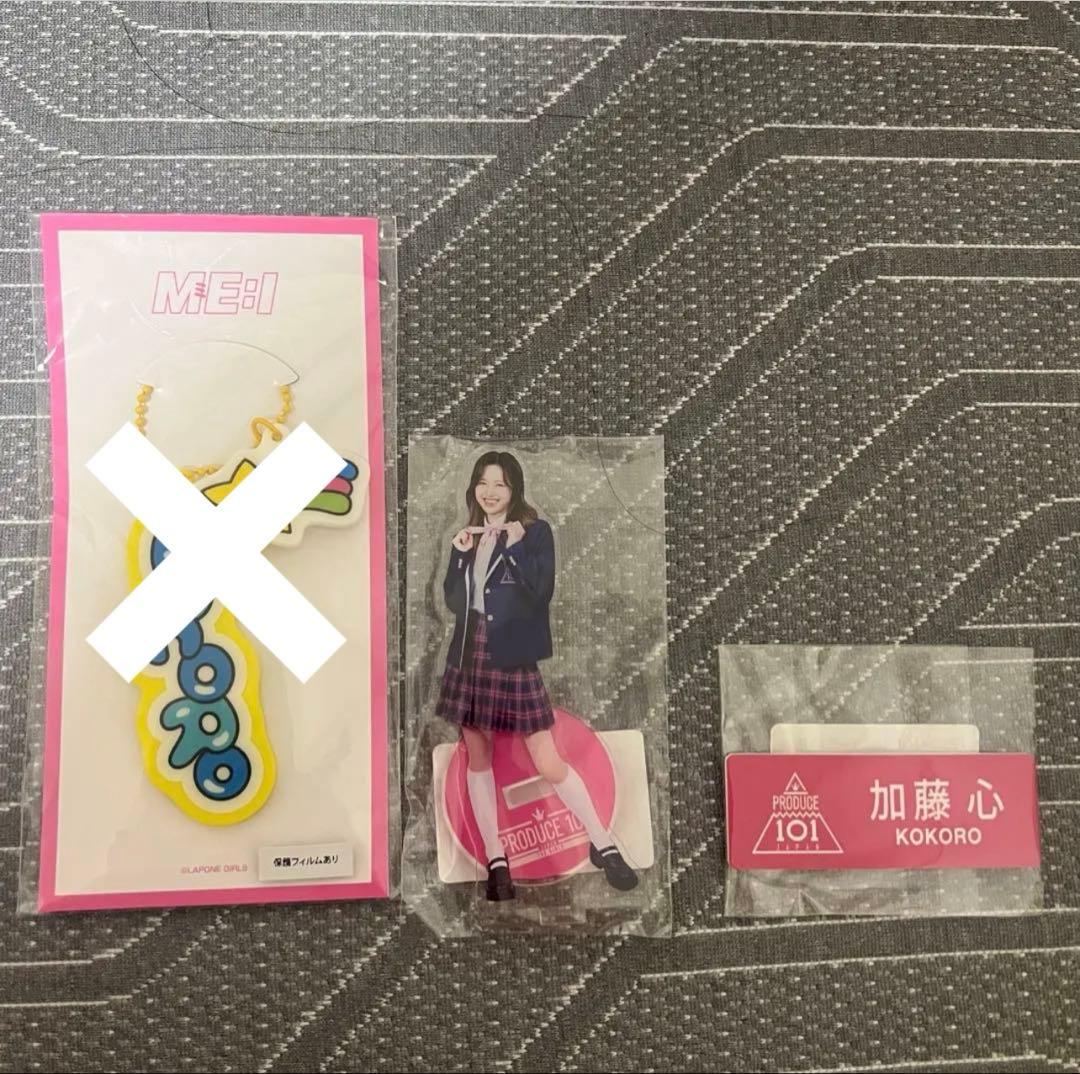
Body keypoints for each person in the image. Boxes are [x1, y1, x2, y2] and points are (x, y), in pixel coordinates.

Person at [437, 450, 637, 901]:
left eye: (500, 484)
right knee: (478, 755)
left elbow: (541, 593)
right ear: (473, 487)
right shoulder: (469, 535)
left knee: (547, 761)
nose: (490, 492)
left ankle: (602, 841)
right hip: (470, 653)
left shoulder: (535, 533)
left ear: (515, 489)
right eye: (483, 482)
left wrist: (513, 548)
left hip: (512, 654)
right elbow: (454, 603)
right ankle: (496, 860)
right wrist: (458, 556)